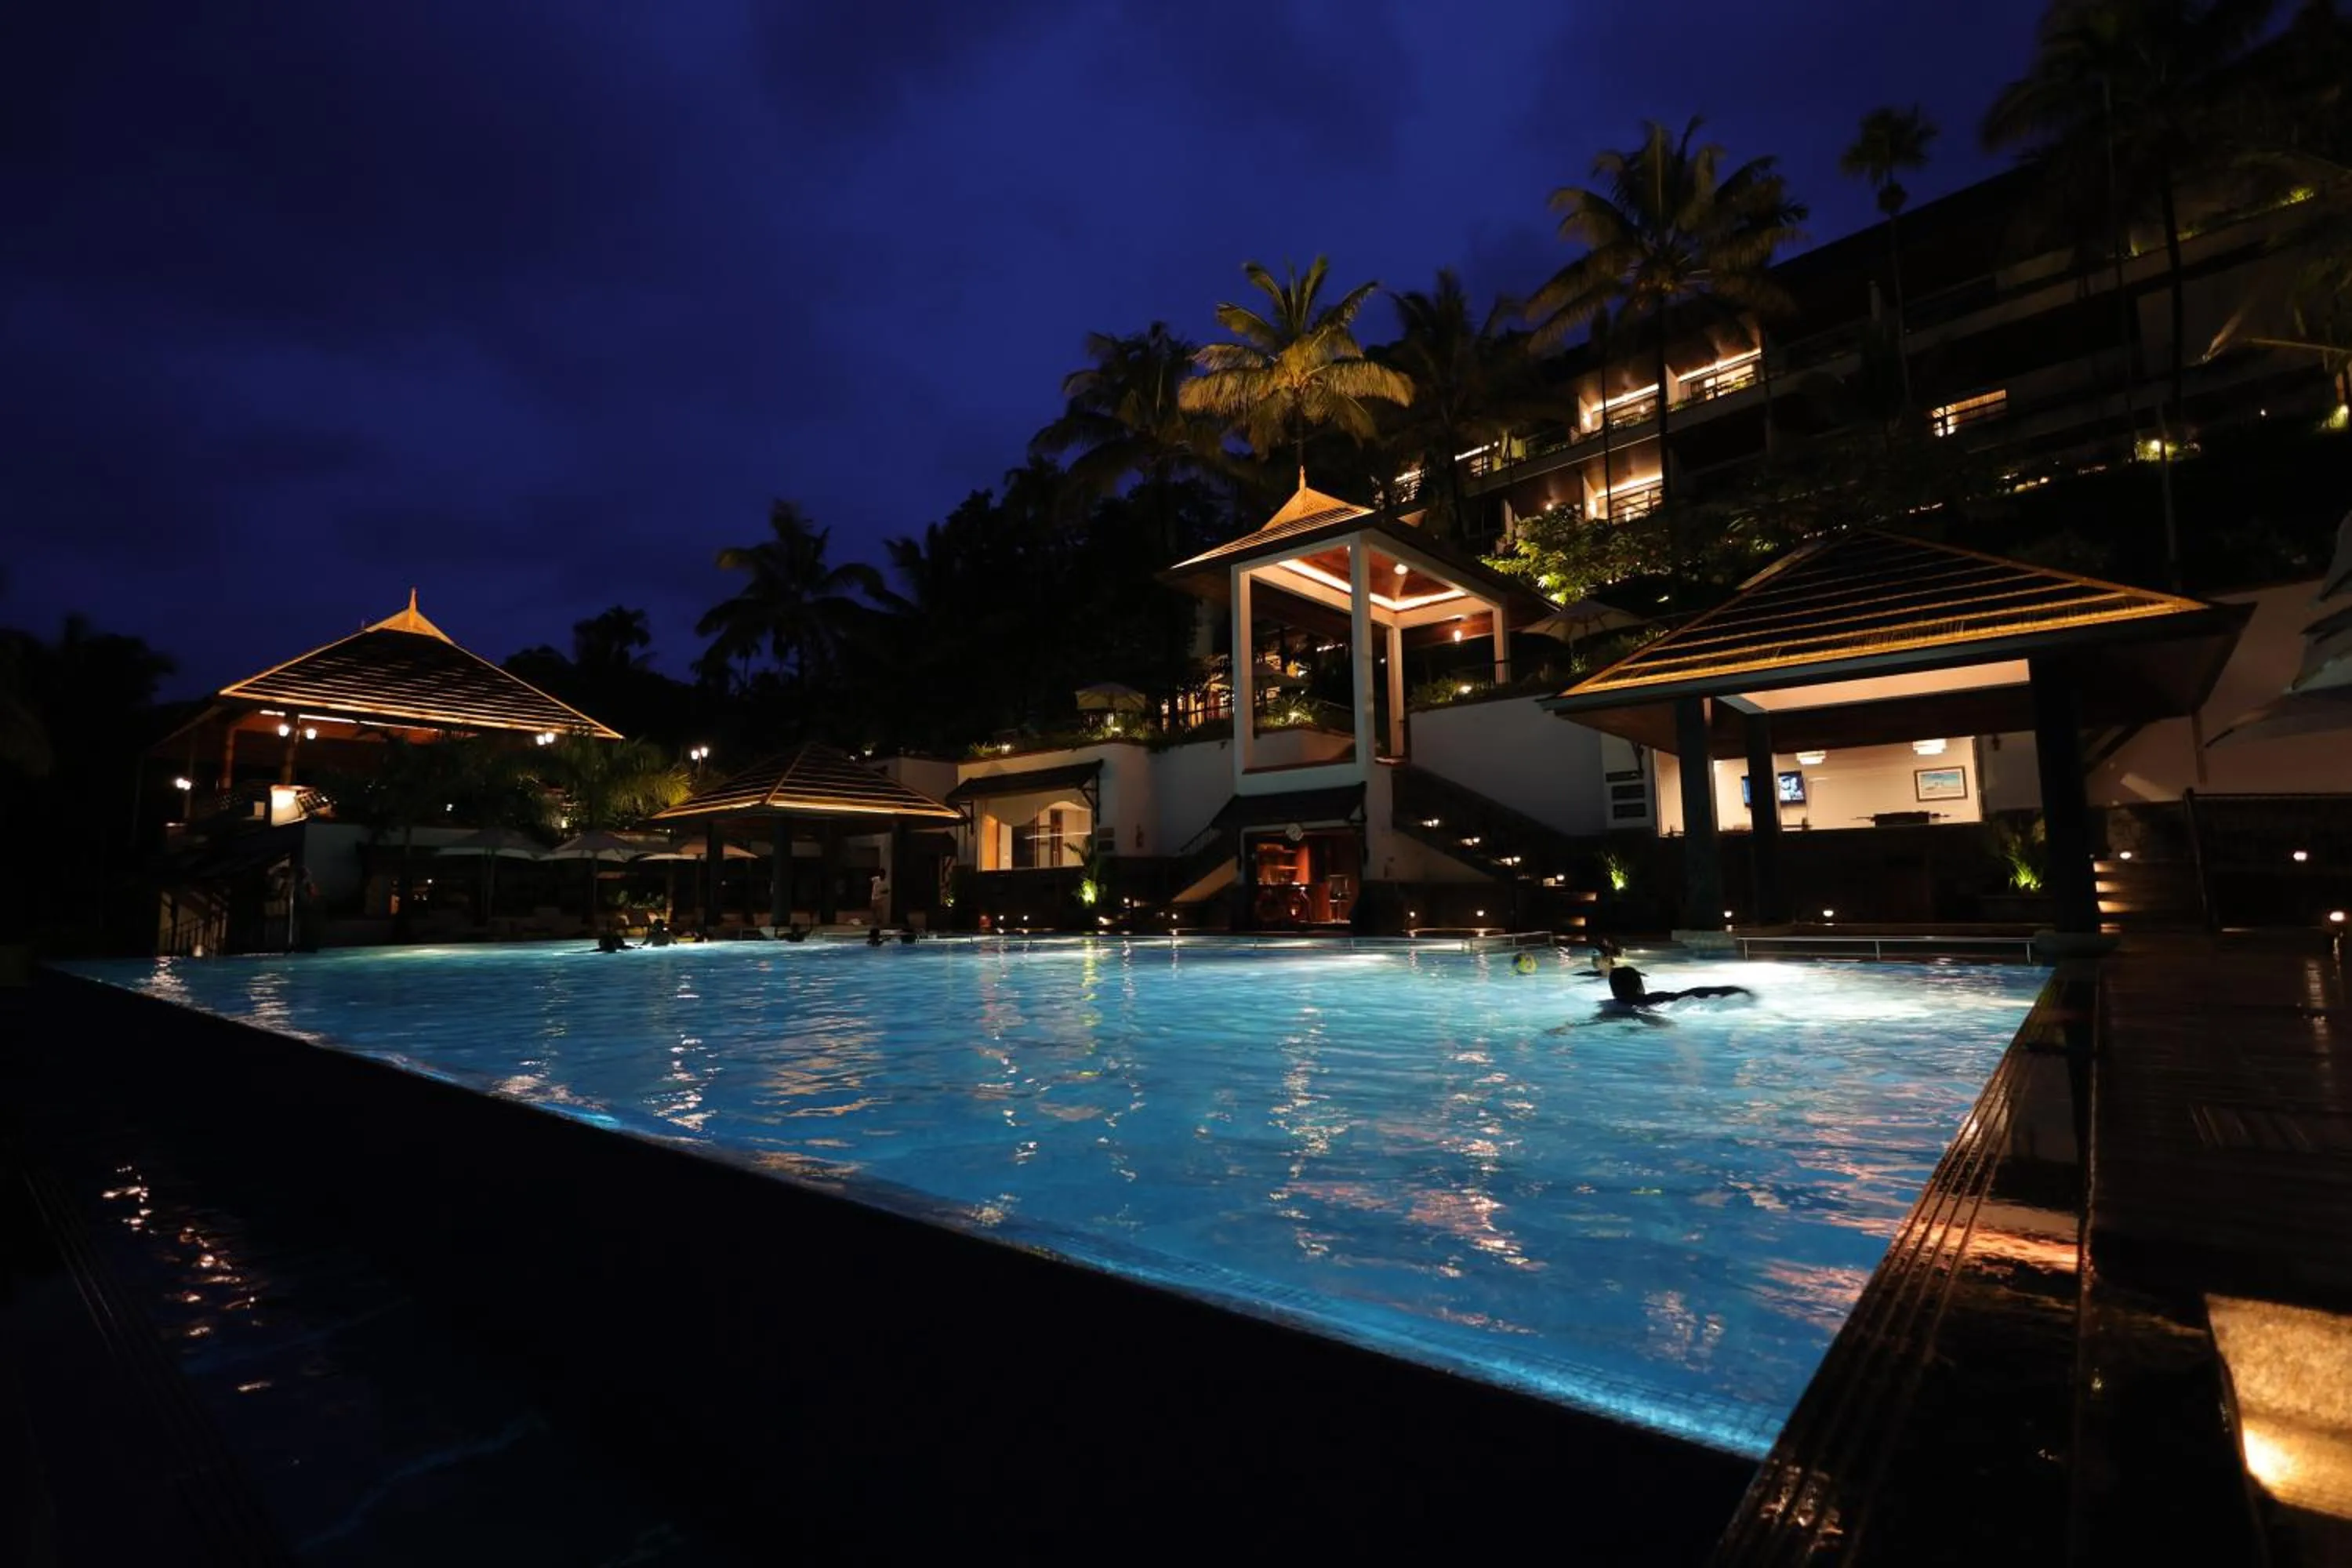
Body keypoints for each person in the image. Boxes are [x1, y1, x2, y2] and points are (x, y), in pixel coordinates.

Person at [1600, 964, 1752, 1015]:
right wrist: (1730, 990)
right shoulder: (1652, 999)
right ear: (1639, 985)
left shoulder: (1607, 1007)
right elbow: (1693, 994)